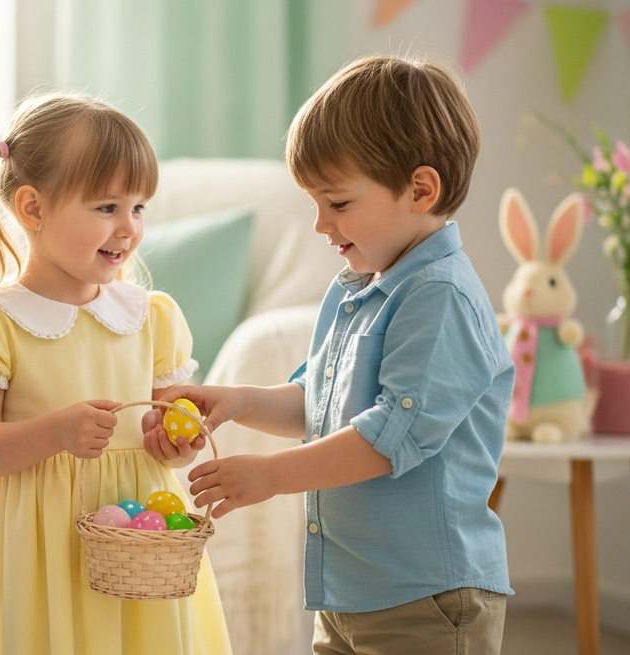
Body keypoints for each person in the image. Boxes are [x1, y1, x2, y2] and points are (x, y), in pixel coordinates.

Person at [170, 55, 516, 655]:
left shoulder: (441, 298)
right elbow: (320, 403)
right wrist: (237, 401)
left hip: (426, 596)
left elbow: (384, 441)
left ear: (420, 189)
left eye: (338, 203)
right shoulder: (359, 289)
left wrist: (270, 475)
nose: (320, 226)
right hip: (352, 591)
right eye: (314, 204)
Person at [0, 93, 232, 654]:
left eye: (138, 208)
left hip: (138, 540)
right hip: (36, 543)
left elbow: (163, 435)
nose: (129, 228)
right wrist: (56, 433)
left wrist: (176, 443)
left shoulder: (149, 316)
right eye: (107, 208)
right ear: (33, 208)